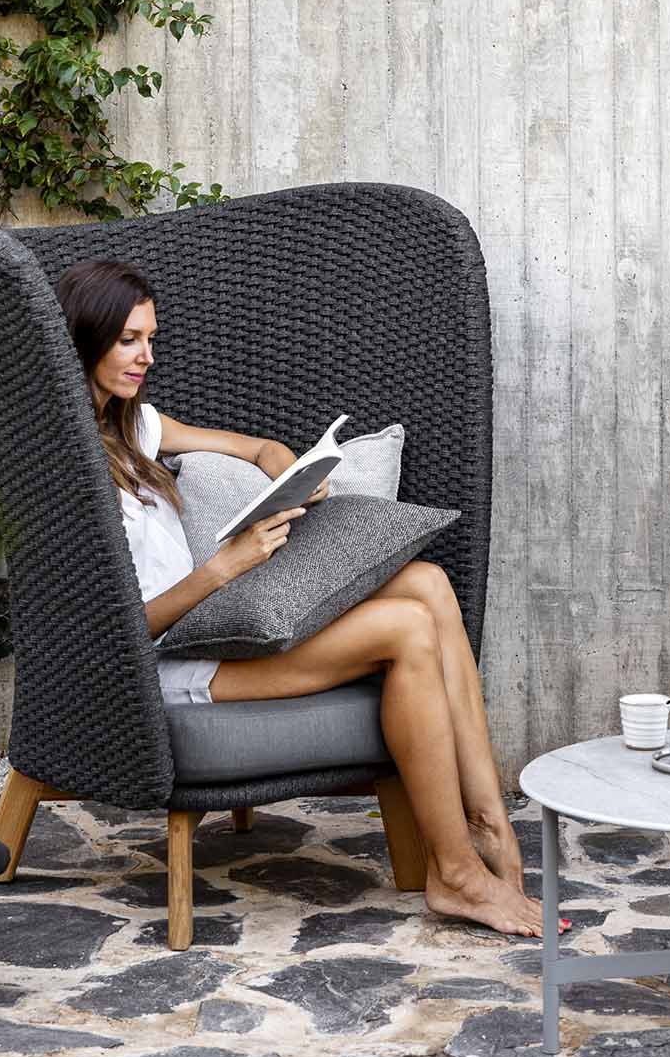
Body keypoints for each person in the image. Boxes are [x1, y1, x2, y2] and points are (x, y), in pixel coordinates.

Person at [56, 258, 555, 938]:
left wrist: (286, 470)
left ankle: (488, 821)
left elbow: (255, 445)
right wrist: (227, 566)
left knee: (429, 584)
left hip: (208, 626)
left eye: (151, 338)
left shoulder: (134, 427)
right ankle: (456, 874)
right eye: (129, 341)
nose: (147, 356)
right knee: (408, 630)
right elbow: (117, 631)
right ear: (86, 339)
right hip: (171, 668)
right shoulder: (70, 468)